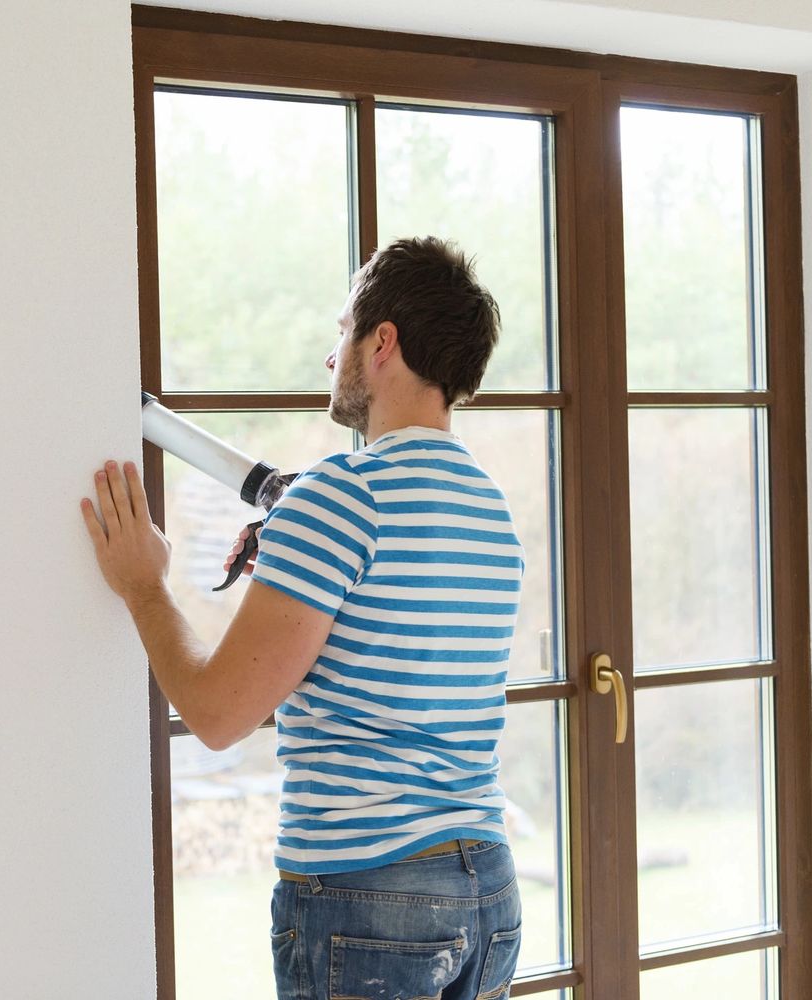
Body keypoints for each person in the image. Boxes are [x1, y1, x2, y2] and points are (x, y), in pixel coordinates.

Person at [79, 236, 525, 1000]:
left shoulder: (339, 496)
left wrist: (143, 584)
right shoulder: (489, 509)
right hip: (485, 893)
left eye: (343, 330)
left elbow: (218, 715)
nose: (331, 355)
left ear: (382, 342)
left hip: (369, 898)